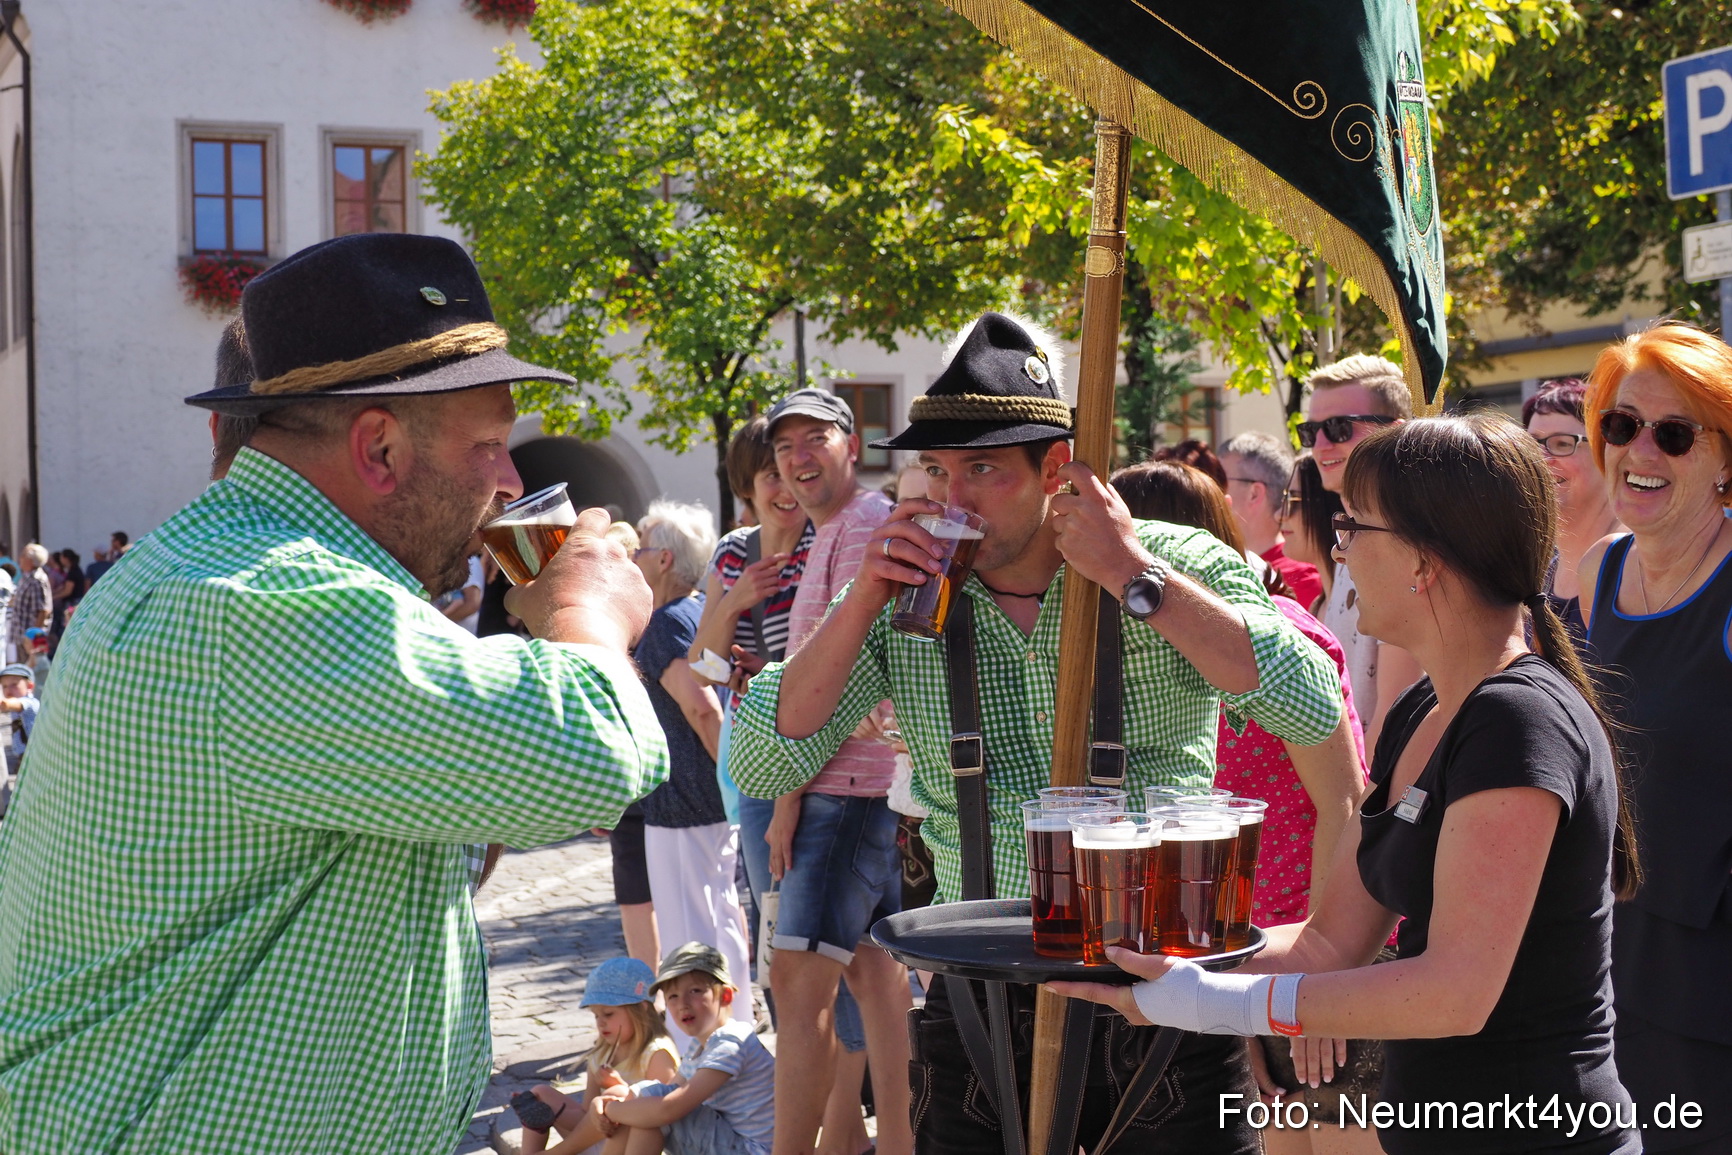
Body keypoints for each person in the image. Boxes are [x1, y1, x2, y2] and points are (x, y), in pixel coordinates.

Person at [0, 233, 670, 1153]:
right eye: (488, 447)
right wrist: (588, 609)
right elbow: (590, 755)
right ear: (380, 445)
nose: (512, 480)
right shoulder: (270, 597)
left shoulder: (220, 562)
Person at [731, 311, 1343, 1154]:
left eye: (982, 470)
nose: (953, 501)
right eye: (938, 471)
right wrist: (860, 604)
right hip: (981, 997)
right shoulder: (904, 591)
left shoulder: (1168, 559)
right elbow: (761, 754)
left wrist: (1135, 576)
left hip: (1162, 984)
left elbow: (1309, 699)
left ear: (1056, 468)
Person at [1060, 414, 1642, 1154]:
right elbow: (1329, 940)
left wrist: (1214, 1001)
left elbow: (1455, 991)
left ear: (1424, 560)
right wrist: (1160, 956)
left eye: (1353, 527)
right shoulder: (1425, 706)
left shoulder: (1518, 719)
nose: (1340, 550)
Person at [1109, 459, 1377, 1153]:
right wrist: (1234, 1008)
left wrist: (1324, 984)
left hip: (1322, 961)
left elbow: (1348, 806)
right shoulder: (1152, 672)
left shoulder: (1288, 645)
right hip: (1241, 967)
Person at [1577, 322, 1732, 1153]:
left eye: (1674, 433)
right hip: (1607, 970)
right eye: (1622, 423)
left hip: (1714, 999)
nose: (1641, 449)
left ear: (1726, 461)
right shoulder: (1597, 570)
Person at [761, 387, 910, 1155]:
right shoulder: (836, 528)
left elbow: (841, 682)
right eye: (785, 446)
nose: (798, 456)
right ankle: (902, 1141)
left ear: (853, 442)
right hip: (856, 785)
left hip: (845, 787)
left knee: (797, 984)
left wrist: (787, 798)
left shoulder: (858, 528)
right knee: (874, 977)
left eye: (814, 436)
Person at [689, 415, 815, 1005]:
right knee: (772, 910)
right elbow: (705, 668)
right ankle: (788, 1037)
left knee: (823, 928)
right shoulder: (734, 553)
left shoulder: (824, 542)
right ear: (748, 486)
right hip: (759, 755)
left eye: (792, 471)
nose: (785, 486)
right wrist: (739, 598)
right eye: (770, 474)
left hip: (822, 748)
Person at [632, 499, 753, 1042]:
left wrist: (731, 781)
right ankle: (737, 1024)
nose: (631, 557)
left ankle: (700, 1042)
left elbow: (703, 707)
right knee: (721, 913)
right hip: (704, 797)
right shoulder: (697, 610)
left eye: (639, 547)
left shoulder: (665, 622)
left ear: (662, 559)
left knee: (690, 925)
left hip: (685, 800)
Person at [1300, 356, 1422, 748]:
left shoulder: (1400, 540)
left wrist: (1359, 806)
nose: (1320, 445)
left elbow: (1394, 712)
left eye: (1338, 428)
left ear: (1395, 433)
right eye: (1310, 431)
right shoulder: (1350, 535)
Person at [598, 942, 776, 1155]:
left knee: (650, 1109)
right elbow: (671, 1090)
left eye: (694, 991)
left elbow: (669, 1108)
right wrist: (622, 1101)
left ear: (725, 996)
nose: (683, 1003)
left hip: (752, 1150)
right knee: (642, 1105)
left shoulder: (730, 1042)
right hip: (732, 1143)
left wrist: (610, 1110)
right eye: (672, 996)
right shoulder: (700, 1045)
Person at [505, 956, 681, 1155]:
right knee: (539, 1095)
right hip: (595, 1137)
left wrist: (618, 1087)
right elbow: (586, 1112)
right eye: (596, 1015)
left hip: (628, 1145)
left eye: (608, 1014)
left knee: (617, 1097)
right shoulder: (601, 1053)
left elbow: (663, 1113)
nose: (601, 1022)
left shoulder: (657, 1053)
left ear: (641, 1008)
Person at [1523, 379, 1622, 647]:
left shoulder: (1632, 563)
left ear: (1606, 452)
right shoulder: (1536, 573)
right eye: (1531, 445)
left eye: (1562, 443)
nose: (1542, 458)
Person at [1221, 431, 1322, 608]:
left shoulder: (1303, 579)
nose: (1211, 489)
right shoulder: (1227, 564)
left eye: (1220, 480)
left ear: (1254, 493)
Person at [1279, 453, 1343, 616]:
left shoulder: (1361, 602)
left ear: (1325, 505)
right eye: (1285, 499)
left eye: (1293, 500)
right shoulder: (1318, 605)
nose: (1280, 514)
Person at [0, 662, 37, 817]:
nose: (9, 690)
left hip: (34, 756)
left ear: (30, 686)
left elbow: (10, 704)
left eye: (14, 685)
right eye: (5, 686)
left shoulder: (29, 703)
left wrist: (4, 702)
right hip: (22, 758)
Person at [5, 544, 50, 664]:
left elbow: (43, 610)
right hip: (20, 634)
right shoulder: (26, 576)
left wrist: (34, 637)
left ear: (30, 560)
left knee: (30, 671)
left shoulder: (37, 579)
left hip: (29, 637)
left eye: (22, 555)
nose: (19, 558)